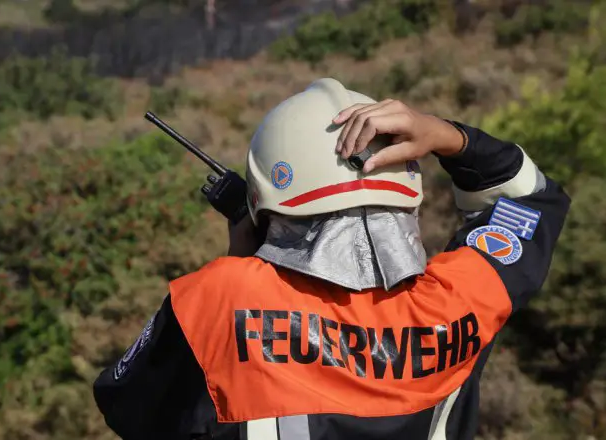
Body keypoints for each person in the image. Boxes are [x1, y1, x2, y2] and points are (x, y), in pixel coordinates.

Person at [93, 78, 570, 440]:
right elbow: (531, 199)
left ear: (265, 206)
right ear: (406, 191)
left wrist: (241, 260)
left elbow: (129, 408)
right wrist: (447, 135)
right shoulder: (462, 298)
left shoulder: (217, 299)